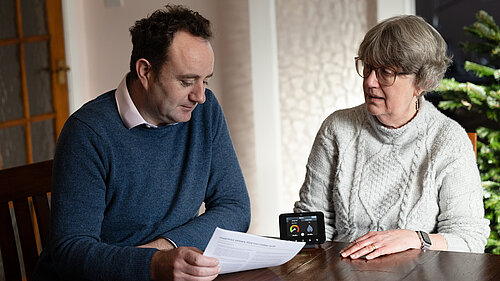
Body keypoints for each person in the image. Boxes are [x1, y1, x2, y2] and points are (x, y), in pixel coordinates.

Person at [33, 5, 250, 281]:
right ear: (145, 71)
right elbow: (70, 251)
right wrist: (154, 264)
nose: (200, 96)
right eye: (187, 81)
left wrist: (165, 249)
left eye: (205, 81)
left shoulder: (204, 113)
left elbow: (235, 208)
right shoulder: (88, 133)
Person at [294, 15, 489, 260]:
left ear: (422, 82)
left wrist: (416, 239)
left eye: (386, 72)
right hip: (343, 271)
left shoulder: (448, 140)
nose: (370, 82)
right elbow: (312, 219)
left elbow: (470, 239)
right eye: (367, 67)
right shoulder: (337, 128)